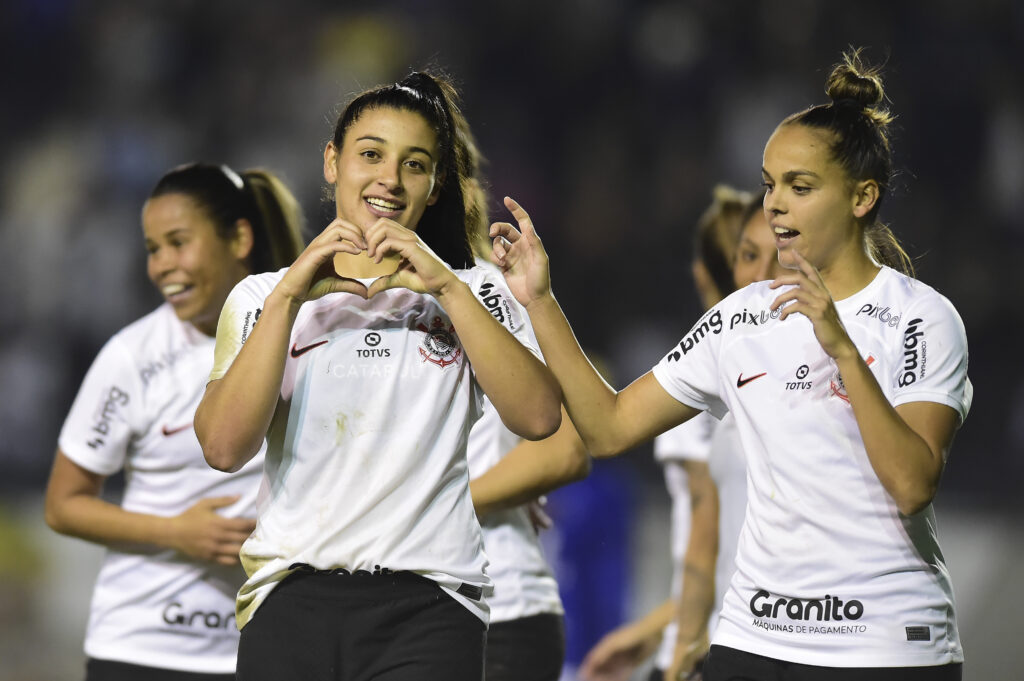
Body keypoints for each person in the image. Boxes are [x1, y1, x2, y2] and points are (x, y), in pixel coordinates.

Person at [491, 49, 970, 680]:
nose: (774, 205)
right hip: (755, 641)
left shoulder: (920, 317)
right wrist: (540, 300)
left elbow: (912, 485)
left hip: (882, 647)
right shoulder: (743, 317)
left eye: (800, 187)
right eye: (770, 184)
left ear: (862, 198)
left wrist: (842, 349)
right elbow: (607, 427)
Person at [194, 71, 562, 681]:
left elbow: (541, 417)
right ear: (332, 162)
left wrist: (444, 283)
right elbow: (223, 447)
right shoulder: (264, 296)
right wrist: (291, 294)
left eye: (414, 165)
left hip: (430, 606)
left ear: (437, 184)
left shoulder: (476, 292)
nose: (390, 179)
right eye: (370, 155)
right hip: (289, 600)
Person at [44, 162, 305, 681]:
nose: (161, 265)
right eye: (152, 248)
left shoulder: (308, 336)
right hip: (141, 647)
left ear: (240, 238)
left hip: (263, 646)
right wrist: (177, 532)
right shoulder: (131, 357)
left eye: (177, 242)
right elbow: (63, 504)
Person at [580, 188, 782, 681]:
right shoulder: (738, 373)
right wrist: (659, 630)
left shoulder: (698, 397)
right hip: (737, 639)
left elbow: (703, 550)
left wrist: (675, 650)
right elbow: (713, 558)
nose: (760, 276)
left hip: (726, 644)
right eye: (748, 256)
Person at [461, 134, 591, 681]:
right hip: (383, 602)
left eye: (418, 164)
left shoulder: (494, 290)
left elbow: (565, 449)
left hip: (499, 605)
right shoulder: (336, 303)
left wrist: (438, 504)